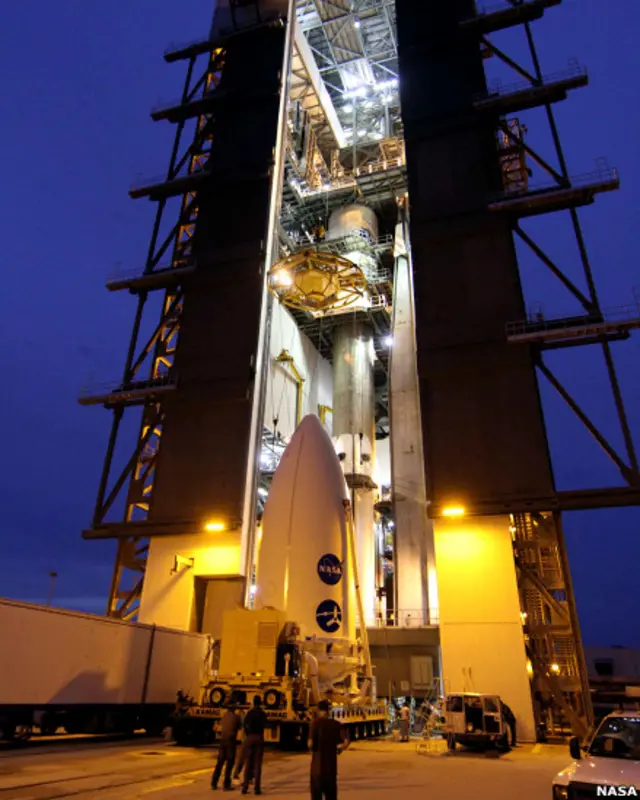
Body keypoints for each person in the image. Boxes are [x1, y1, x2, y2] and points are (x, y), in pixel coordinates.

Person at [309, 700, 349, 800]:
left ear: (318, 710)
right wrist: (340, 749)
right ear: (329, 711)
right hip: (331, 770)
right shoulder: (336, 724)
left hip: (317, 771)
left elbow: (310, 743)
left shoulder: (314, 724)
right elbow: (346, 740)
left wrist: (312, 749)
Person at [211, 703, 242, 791]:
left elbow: (220, 727)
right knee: (230, 763)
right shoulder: (236, 717)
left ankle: (214, 782)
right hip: (230, 741)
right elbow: (240, 726)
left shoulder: (224, 716)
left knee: (220, 762)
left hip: (223, 740)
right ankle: (226, 784)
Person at [241, 695, 268, 795]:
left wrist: (248, 735)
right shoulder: (262, 713)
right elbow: (265, 724)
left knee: (248, 763)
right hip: (259, 738)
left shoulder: (250, 713)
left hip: (250, 737)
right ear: (260, 702)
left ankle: (245, 787)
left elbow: (245, 725)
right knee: (257, 764)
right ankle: (257, 788)